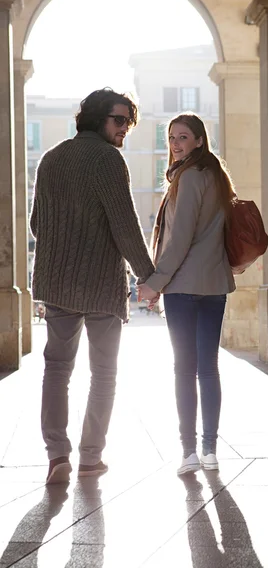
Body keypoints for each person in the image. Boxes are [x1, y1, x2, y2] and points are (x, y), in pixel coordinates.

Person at [30, 88, 154, 485]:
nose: (124, 130)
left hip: (56, 280)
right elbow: (124, 225)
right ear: (97, 118)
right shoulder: (107, 159)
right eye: (119, 121)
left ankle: (57, 456)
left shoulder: (51, 158)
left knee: (57, 369)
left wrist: (64, 242)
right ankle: (89, 457)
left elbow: (37, 224)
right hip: (100, 282)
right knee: (103, 373)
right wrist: (147, 275)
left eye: (128, 124)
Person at [138, 113, 236, 476]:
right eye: (171, 137)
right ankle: (209, 449)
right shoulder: (216, 176)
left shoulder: (189, 178)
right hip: (213, 286)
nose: (176, 143)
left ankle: (190, 451)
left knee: (186, 369)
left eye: (183, 137)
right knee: (208, 368)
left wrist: (155, 282)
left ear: (198, 140)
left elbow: (179, 239)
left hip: (183, 287)